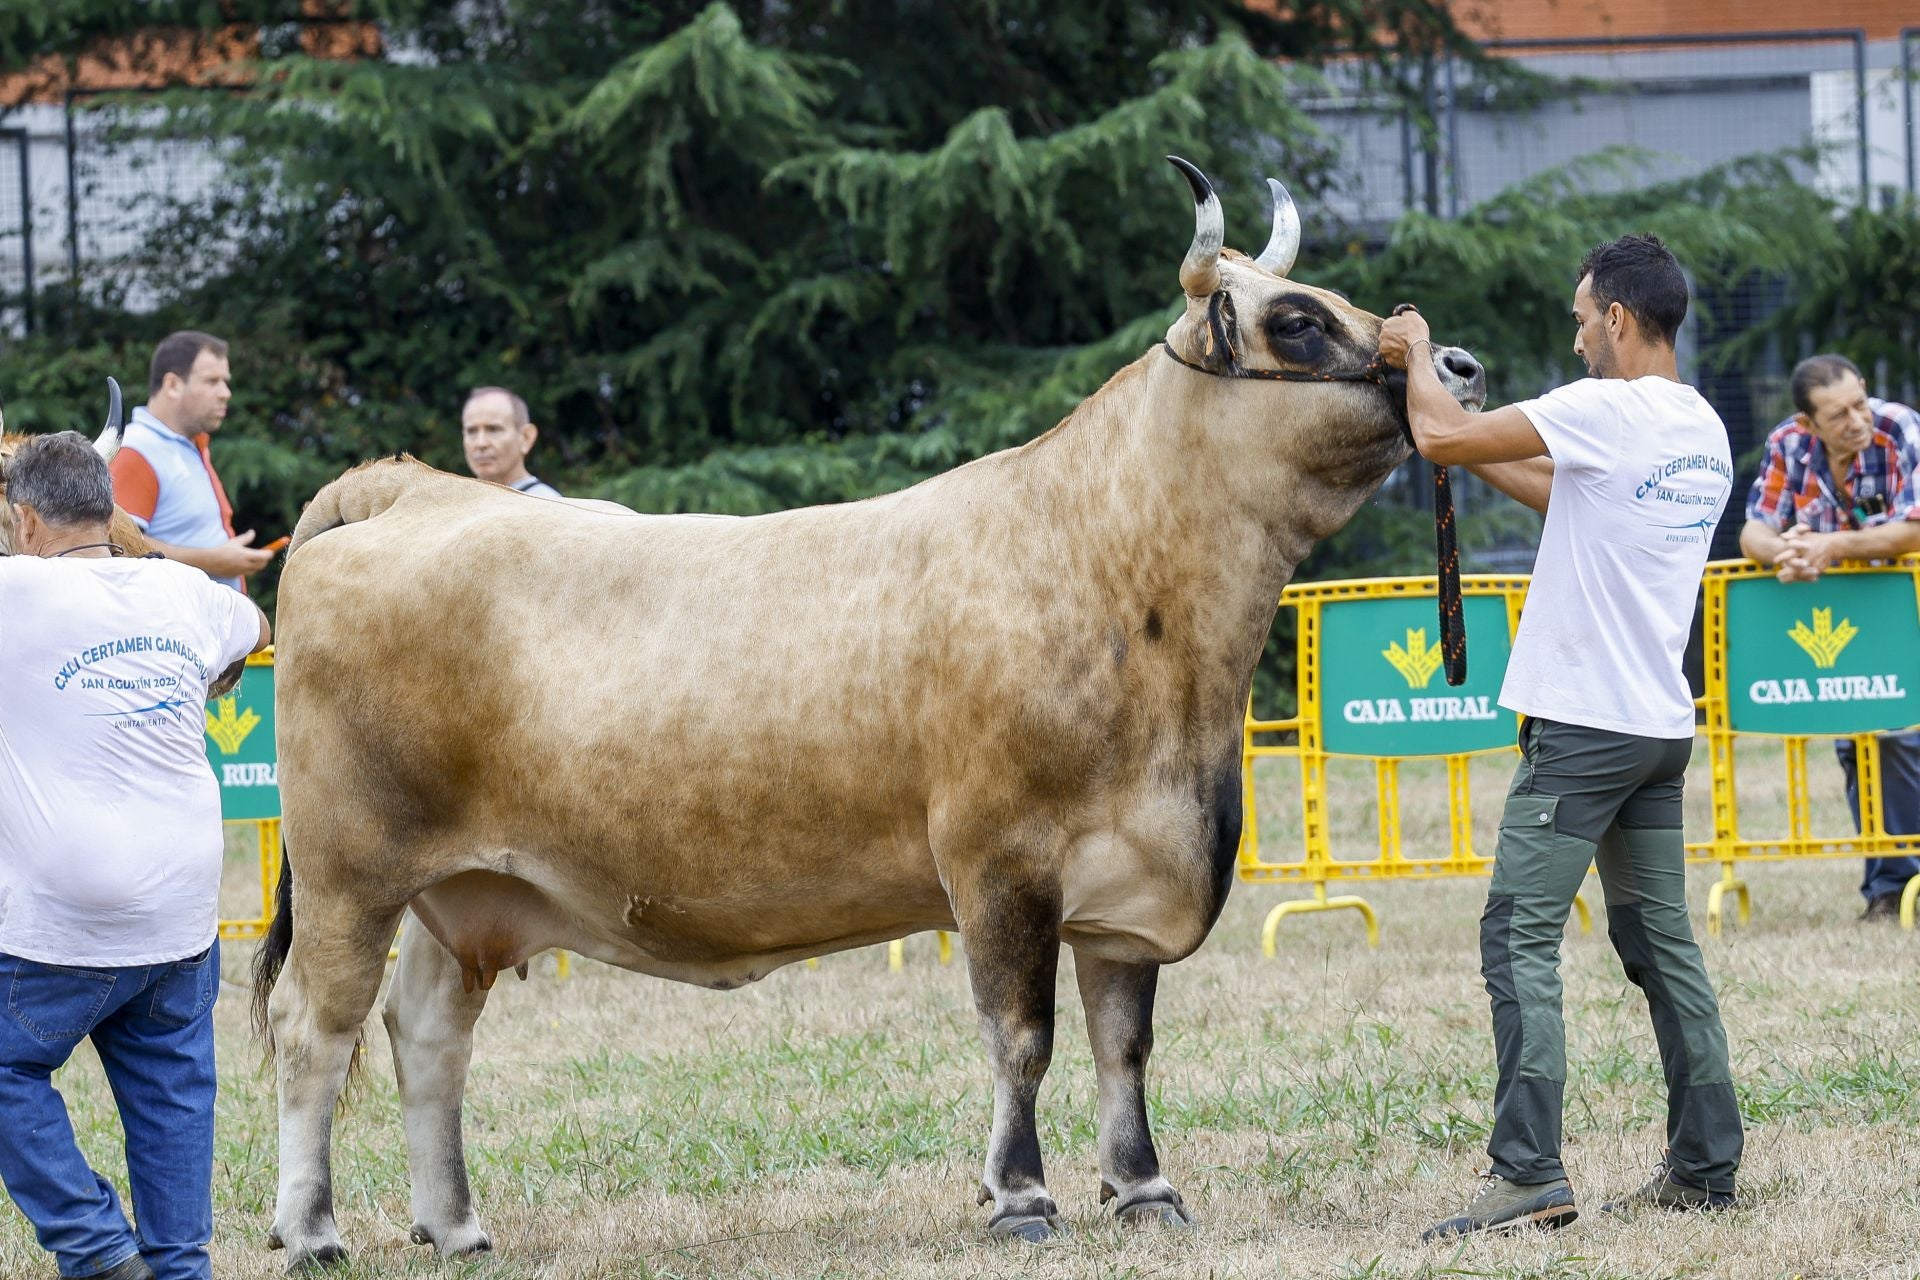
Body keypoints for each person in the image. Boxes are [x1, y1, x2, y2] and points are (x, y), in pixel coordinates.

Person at [1381, 234, 1743, 1238]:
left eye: (1584, 315)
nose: (1577, 334)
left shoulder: (1602, 407)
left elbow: (1443, 440)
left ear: (1620, 317)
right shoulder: (1699, 430)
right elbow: (1564, 496)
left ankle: (1527, 1170)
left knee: (1516, 934)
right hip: (1655, 731)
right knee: (1659, 941)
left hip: (1583, 730)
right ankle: (1708, 1163)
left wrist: (1414, 352)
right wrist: (1471, 435)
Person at [0, 431, 270, 1280]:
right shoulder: (185, 593)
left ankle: (96, 1246)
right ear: (110, 515)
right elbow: (255, 625)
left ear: (27, 520)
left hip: (62, 924)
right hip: (184, 910)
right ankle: (178, 1266)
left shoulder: (11, 592)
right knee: (173, 1096)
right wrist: (139, 559)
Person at [1737, 355, 1920, 921]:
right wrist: (1787, 552)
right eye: (1838, 415)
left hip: (1906, 614)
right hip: (1850, 627)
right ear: (1809, 422)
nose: (1857, 421)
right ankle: (1888, 887)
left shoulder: (1901, 429)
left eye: (1859, 403)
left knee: (1900, 740)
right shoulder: (1787, 444)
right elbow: (1753, 530)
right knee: (1856, 749)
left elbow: (1914, 528)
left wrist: (1830, 548)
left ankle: (1904, 876)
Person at [108, 330, 275, 591]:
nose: (225, 393)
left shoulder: (189, 445)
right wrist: (214, 561)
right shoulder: (136, 450)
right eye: (212, 381)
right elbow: (118, 545)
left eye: (225, 381)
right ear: (172, 385)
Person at [460, 385, 561, 496]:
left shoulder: (548, 505)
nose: (481, 443)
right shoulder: (456, 505)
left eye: (493, 429)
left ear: (526, 437)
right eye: (471, 431)